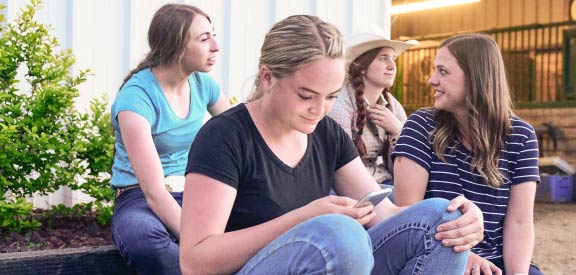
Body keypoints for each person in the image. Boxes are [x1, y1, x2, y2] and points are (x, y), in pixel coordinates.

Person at [179, 15, 485, 275]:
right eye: (305, 95)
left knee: (442, 219)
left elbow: (384, 213)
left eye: (331, 96)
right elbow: (195, 261)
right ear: (268, 77)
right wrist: (304, 218)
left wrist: (464, 219)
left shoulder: (324, 131)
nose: (320, 109)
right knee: (339, 235)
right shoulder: (225, 136)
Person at [392, 33, 544, 275]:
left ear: (475, 79)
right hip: (435, 252)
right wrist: (465, 258)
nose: (432, 80)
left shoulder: (521, 136)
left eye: (443, 71)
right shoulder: (420, 125)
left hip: (498, 259)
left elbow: (520, 222)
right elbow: (410, 220)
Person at [109, 4, 230, 274]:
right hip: (139, 198)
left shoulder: (204, 85)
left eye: (213, 34)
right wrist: (198, 244)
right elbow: (153, 192)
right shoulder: (135, 99)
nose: (216, 46)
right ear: (176, 46)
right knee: (144, 239)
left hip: (196, 192)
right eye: (204, 39)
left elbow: (241, 138)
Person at [328, 29, 416, 188]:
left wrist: (397, 130)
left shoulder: (393, 105)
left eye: (393, 59)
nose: (392, 66)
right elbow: (339, 164)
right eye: (383, 59)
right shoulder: (341, 104)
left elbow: (407, 168)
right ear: (362, 67)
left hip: (384, 179)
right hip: (351, 186)